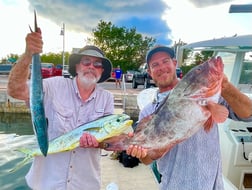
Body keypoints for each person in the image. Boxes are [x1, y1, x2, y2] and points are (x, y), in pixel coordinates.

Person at [126, 45, 252, 190]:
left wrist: (226, 86)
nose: (161, 67)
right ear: (149, 72)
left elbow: (248, 115)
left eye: (165, 61)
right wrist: (142, 153)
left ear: (174, 63)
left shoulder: (209, 96)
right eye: (155, 65)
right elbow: (147, 159)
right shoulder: (148, 111)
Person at [7, 28, 114, 190]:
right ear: (77, 66)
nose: (91, 66)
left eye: (97, 64)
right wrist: (29, 54)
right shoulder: (53, 85)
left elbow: (111, 140)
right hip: (45, 184)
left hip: (86, 185)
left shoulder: (107, 98)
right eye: (86, 62)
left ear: (102, 71)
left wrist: (100, 143)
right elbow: (15, 90)